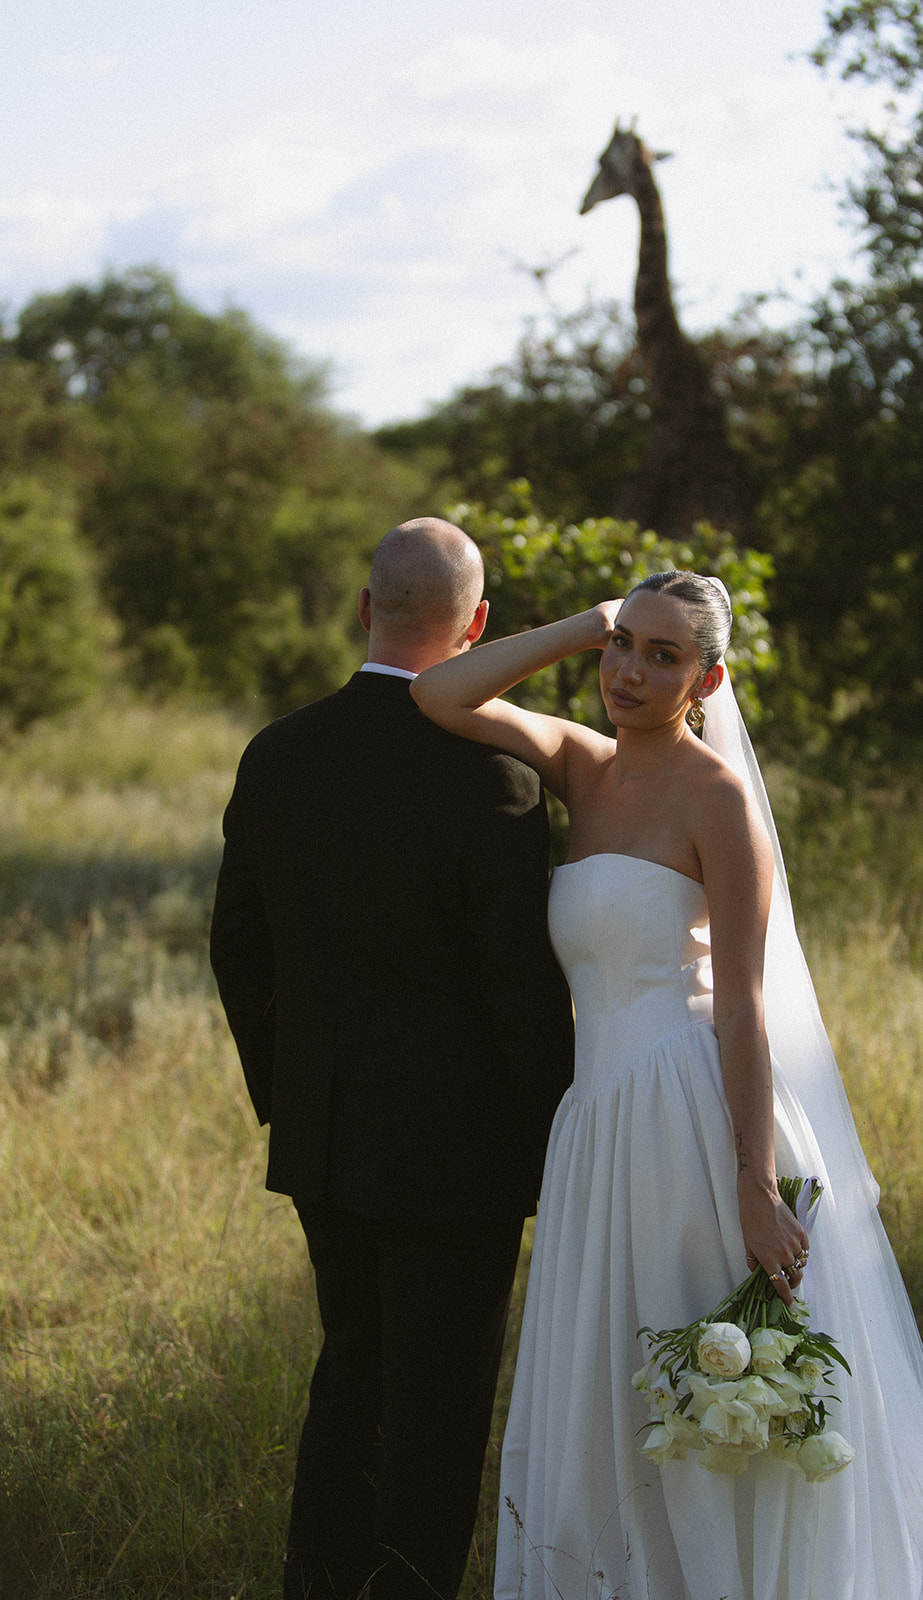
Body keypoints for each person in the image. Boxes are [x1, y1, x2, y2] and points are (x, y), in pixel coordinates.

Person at [411, 569, 923, 1600]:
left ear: (706, 679)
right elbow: (439, 694)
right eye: (623, 644)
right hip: (596, 1124)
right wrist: (583, 622)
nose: (628, 669)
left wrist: (753, 1187)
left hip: (689, 1115)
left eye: (661, 656)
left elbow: (744, 1010)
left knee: (708, 1381)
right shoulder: (582, 766)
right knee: (620, 1382)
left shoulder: (715, 801)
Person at [209, 518, 575, 1600]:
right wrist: (558, 1145)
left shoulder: (278, 751)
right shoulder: (497, 772)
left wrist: (291, 1094)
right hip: (462, 1157)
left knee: (352, 1366)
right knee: (440, 1395)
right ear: (475, 627)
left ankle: (316, 1585)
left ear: (365, 609)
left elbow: (239, 947)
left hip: (324, 1134)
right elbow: (520, 991)